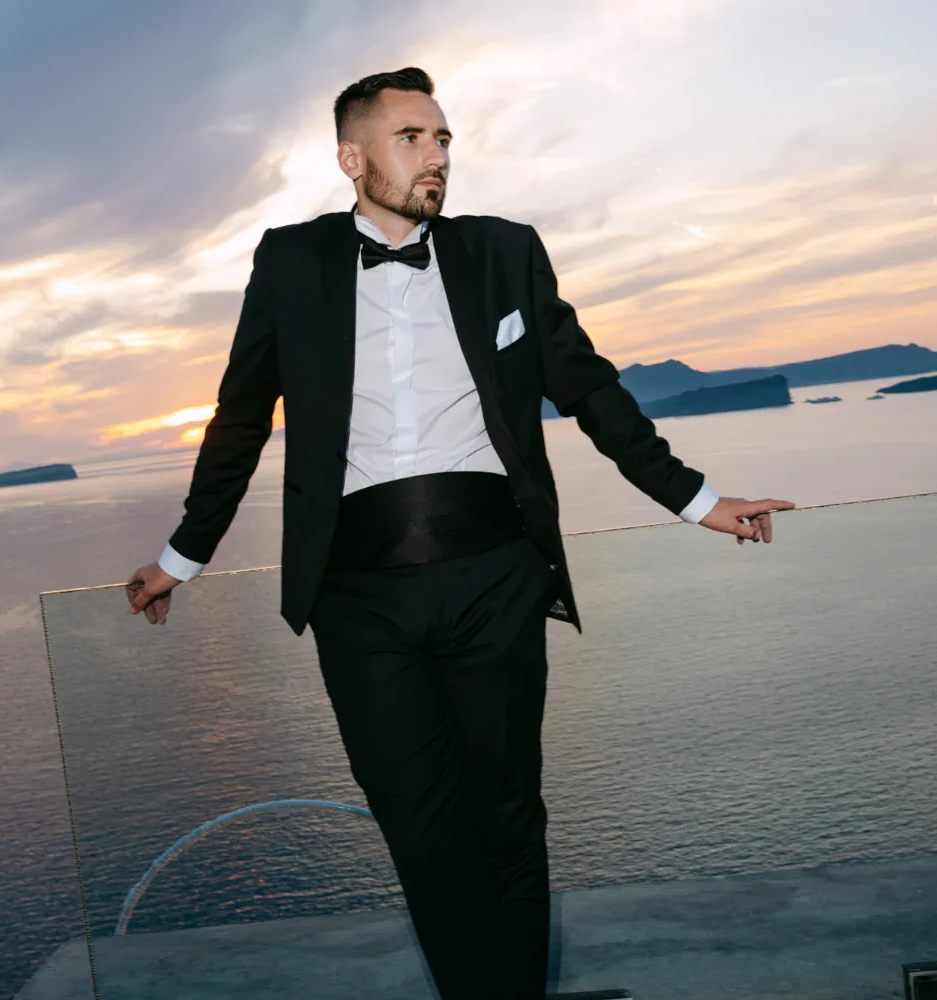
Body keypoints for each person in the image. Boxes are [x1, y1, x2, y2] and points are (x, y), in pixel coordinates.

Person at [125, 67, 793, 1000]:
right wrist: (179, 559)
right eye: (413, 138)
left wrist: (698, 499)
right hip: (357, 598)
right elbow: (239, 419)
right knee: (422, 830)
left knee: (509, 819)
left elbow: (589, 389)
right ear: (353, 159)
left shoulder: (504, 251)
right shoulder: (290, 260)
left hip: (495, 575)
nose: (437, 156)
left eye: (443, 139)